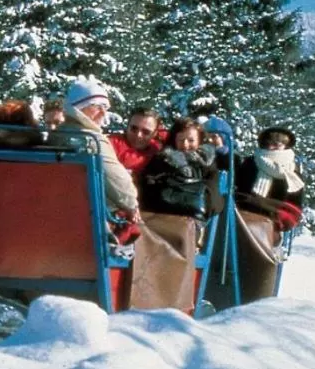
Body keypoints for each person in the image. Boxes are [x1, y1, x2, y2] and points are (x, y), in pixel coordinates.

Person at [60, 77, 142, 252]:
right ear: (80, 107)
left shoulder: (57, 135)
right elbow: (115, 179)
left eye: (105, 107)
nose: (103, 113)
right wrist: (131, 204)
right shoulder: (90, 140)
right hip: (92, 219)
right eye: (97, 106)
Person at [140, 117, 219, 220]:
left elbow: (213, 193)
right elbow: (148, 185)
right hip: (162, 212)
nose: (185, 144)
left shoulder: (206, 163)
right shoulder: (162, 159)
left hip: (193, 216)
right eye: (181, 140)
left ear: (199, 141)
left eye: (191, 140)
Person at [234, 125, 305, 231]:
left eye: (281, 142)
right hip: (244, 212)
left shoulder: (293, 170)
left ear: (286, 145)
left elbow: (295, 206)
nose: (277, 145)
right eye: (272, 142)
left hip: (274, 220)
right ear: (265, 144)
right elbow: (238, 187)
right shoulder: (251, 163)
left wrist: (281, 216)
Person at [108, 107, 163, 178]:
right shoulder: (111, 143)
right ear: (127, 126)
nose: (138, 135)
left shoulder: (158, 152)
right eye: (134, 128)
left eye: (146, 132)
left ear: (154, 134)